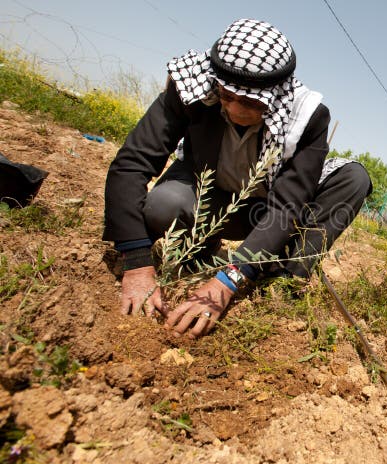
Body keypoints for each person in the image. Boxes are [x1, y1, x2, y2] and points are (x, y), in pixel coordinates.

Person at [103, 18, 372, 338]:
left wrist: (227, 281)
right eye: (225, 95)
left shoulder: (308, 118)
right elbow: (131, 163)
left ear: (274, 97)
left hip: (261, 213)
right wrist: (136, 261)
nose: (231, 107)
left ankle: (278, 279)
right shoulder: (193, 86)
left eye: (247, 101)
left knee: (354, 177)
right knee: (163, 204)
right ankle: (200, 244)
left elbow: (285, 208)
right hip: (204, 199)